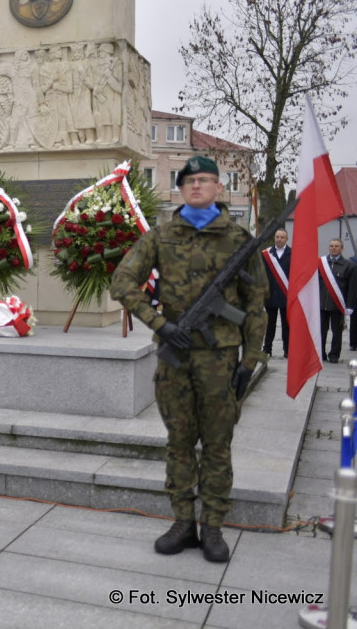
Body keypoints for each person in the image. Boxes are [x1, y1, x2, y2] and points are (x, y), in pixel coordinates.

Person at [111, 155, 267, 564]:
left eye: (205, 180)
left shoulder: (239, 240)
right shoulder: (161, 236)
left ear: (218, 187)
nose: (197, 186)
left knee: (218, 443)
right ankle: (183, 521)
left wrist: (249, 362)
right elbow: (122, 281)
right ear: (180, 189)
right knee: (179, 442)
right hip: (176, 357)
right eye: (190, 181)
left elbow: (256, 304)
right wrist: (160, 324)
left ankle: (212, 525)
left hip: (220, 359)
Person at [319, 238, 357, 363]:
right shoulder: (321, 263)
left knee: (337, 331)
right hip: (321, 304)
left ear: (342, 248)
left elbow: (352, 287)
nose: (333, 248)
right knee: (321, 331)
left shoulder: (349, 265)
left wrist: (350, 305)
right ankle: (321, 353)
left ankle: (334, 355)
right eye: (331, 246)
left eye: (336, 246)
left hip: (338, 305)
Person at [261, 228, 290, 358]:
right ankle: (267, 349)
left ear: (286, 239)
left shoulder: (293, 253)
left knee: (286, 325)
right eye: (277, 237)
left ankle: (287, 349)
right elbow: (261, 274)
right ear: (274, 238)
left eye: (282, 237)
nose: (279, 239)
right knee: (270, 324)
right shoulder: (266, 254)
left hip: (286, 295)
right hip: (270, 295)